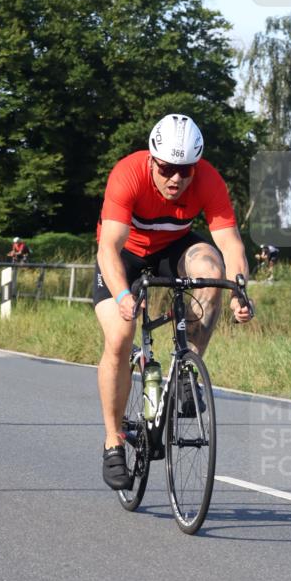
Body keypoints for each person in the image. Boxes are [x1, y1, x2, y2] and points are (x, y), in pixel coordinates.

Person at [94, 114, 253, 490]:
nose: (176, 179)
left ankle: (186, 373)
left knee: (211, 270)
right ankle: (113, 440)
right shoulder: (128, 173)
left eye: (185, 171)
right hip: (125, 256)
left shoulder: (208, 179)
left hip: (172, 247)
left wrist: (240, 292)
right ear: (151, 160)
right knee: (120, 335)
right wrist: (122, 296)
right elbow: (108, 247)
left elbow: (230, 244)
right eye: (166, 169)